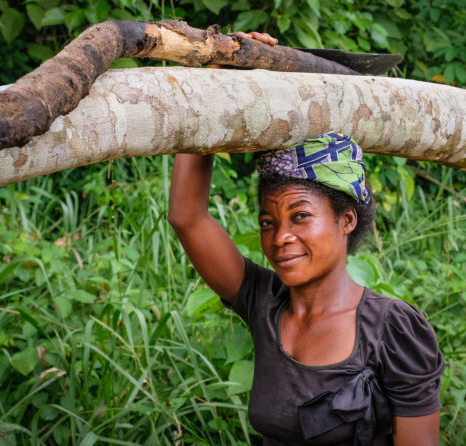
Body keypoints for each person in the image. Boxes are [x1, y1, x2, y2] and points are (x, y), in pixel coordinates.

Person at [168, 31, 443, 446]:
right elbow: (187, 216)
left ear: (346, 219)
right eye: (268, 222)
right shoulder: (262, 302)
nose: (281, 238)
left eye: (300, 217)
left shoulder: (393, 331)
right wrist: (217, 81)